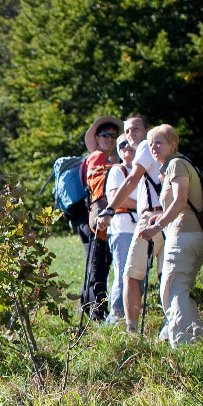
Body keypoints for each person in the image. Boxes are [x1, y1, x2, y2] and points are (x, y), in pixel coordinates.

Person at [137, 124, 203, 346]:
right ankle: (200, 340)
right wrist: (159, 220)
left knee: (171, 289)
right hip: (189, 235)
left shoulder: (176, 164)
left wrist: (157, 228)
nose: (153, 148)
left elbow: (179, 200)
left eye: (158, 142)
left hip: (184, 235)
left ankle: (182, 345)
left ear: (173, 144)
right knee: (179, 288)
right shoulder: (169, 167)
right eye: (150, 144)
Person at [103, 115, 166, 334]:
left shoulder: (146, 149)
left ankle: (131, 331)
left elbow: (131, 181)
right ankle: (171, 325)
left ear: (148, 130)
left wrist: (110, 209)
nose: (130, 134)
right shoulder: (162, 148)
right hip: (169, 218)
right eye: (127, 131)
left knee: (130, 275)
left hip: (151, 218)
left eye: (135, 129)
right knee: (166, 274)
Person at [80, 116, 122, 320]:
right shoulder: (97, 157)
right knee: (99, 265)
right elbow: (97, 184)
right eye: (105, 135)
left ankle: (87, 307)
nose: (110, 139)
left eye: (114, 136)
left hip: (95, 216)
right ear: (96, 137)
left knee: (96, 264)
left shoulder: (109, 159)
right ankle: (97, 313)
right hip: (97, 217)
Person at [97, 135, 138, 323]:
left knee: (137, 273)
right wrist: (144, 205)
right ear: (118, 150)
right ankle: (117, 314)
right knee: (123, 272)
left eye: (129, 143)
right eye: (122, 144)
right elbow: (117, 197)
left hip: (140, 225)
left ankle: (132, 312)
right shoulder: (117, 170)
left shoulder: (141, 170)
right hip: (122, 227)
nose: (126, 146)